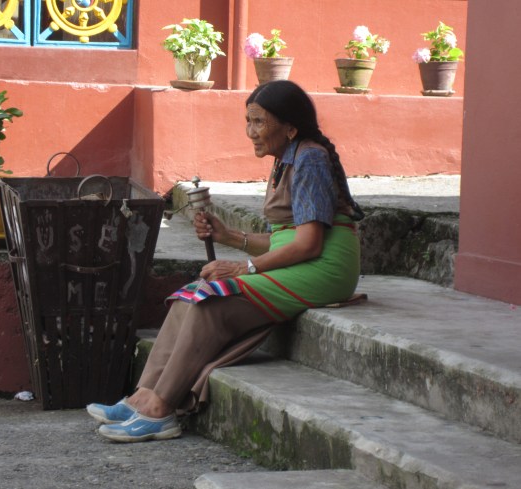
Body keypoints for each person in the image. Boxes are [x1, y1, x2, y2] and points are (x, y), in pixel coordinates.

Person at [86, 80, 363, 442]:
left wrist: (242, 267)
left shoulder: (309, 157)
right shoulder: (286, 158)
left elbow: (309, 244)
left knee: (211, 302)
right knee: (193, 295)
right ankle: (143, 396)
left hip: (327, 267)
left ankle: (161, 410)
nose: (251, 132)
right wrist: (229, 237)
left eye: (260, 122)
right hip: (306, 259)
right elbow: (284, 238)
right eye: (248, 121)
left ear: (291, 128)